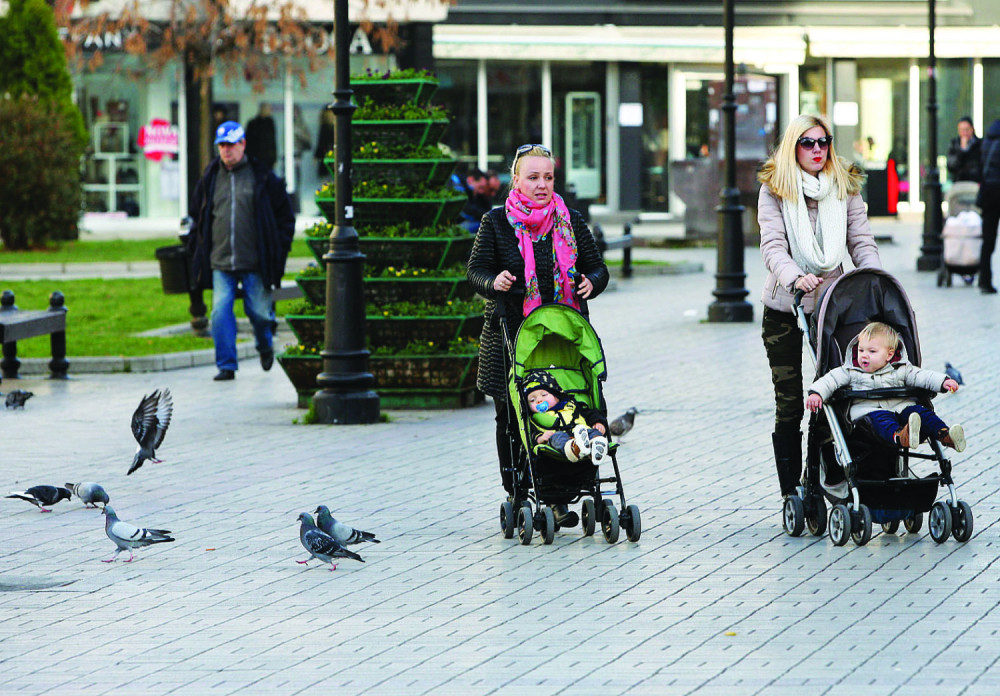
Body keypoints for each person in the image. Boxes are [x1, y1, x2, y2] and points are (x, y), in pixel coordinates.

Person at [467, 143, 609, 526]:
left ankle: (560, 495)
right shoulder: (496, 222)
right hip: (510, 337)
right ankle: (517, 489)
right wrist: (493, 280)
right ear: (516, 180)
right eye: (533, 177)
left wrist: (590, 283)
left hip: (562, 342)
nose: (542, 185)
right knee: (510, 417)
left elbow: (599, 269)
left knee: (569, 413)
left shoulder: (571, 221)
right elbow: (475, 271)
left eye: (548, 177)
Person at [757, 114, 882, 498]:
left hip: (833, 306)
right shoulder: (775, 188)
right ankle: (790, 490)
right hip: (785, 307)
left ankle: (821, 479)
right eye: (808, 143)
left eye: (823, 142)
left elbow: (861, 240)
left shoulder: (843, 184)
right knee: (792, 400)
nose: (817, 150)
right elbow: (772, 245)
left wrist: (875, 278)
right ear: (793, 146)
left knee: (829, 394)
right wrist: (794, 276)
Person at [187, 121, 296, 381]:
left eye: (231, 145)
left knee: (259, 312)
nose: (226, 150)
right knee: (219, 312)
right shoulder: (210, 177)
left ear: (243, 144)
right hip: (220, 261)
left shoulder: (263, 177)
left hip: (254, 261)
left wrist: (279, 250)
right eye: (222, 145)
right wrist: (196, 246)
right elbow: (197, 216)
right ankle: (226, 365)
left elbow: (285, 218)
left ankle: (264, 344)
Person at [806, 322, 965, 452]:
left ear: (889, 355)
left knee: (921, 413)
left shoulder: (901, 369)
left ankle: (946, 435)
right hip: (868, 412)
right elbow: (829, 380)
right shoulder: (850, 371)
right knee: (882, 420)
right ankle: (901, 436)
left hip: (901, 408)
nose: (864, 355)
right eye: (861, 350)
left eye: (872, 351)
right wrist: (817, 394)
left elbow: (922, 376)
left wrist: (943, 381)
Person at [522, 369, 610, 465]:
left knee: (593, 432)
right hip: (560, 438)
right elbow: (532, 433)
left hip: (582, 431)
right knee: (557, 438)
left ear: (555, 394)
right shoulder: (534, 418)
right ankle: (575, 448)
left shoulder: (571, 405)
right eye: (532, 400)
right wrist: (541, 438)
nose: (539, 400)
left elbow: (590, 413)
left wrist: (598, 422)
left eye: (544, 395)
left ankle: (596, 444)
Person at [976, 118, 1000, 295]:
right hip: (997, 191)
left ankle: (984, 280)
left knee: (988, 240)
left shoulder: (987, 139)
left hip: (988, 194)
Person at [946, 117, 983, 184]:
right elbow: (951, 166)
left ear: (972, 129)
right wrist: (962, 150)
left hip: (975, 183)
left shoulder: (980, 144)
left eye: (967, 129)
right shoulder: (954, 144)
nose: (965, 133)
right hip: (959, 183)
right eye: (962, 130)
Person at [245, 103, 277, 171]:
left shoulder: (270, 123)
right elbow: (248, 143)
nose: (269, 111)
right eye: (267, 109)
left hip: (268, 160)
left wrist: (274, 159)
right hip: (256, 158)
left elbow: (272, 142)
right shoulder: (252, 124)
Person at [314, 107, 335, 178]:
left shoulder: (336, 127)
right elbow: (321, 142)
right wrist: (317, 155)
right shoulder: (325, 127)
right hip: (326, 154)